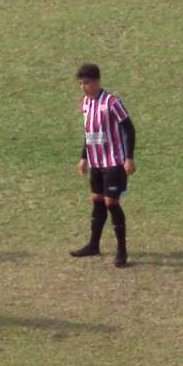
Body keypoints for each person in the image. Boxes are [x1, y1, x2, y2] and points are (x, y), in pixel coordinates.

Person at [70, 63, 137, 268]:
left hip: (114, 162)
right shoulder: (85, 103)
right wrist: (84, 157)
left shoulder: (112, 102)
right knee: (97, 201)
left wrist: (129, 158)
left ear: (97, 81)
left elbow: (129, 129)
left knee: (111, 203)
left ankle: (122, 250)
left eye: (87, 83)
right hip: (96, 162)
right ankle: (94, 245)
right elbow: (89, 132)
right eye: (81, 84)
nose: (83, 87)